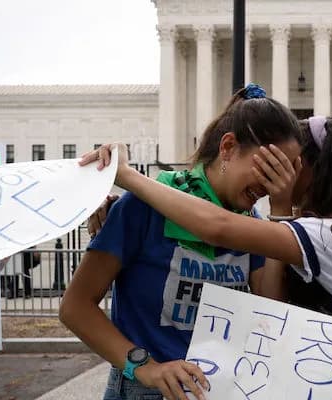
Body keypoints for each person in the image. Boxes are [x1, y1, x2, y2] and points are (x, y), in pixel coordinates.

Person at [87, 115, 332, 400]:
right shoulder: (314, 231)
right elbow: (271, 309)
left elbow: (217, 226)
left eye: (289, 162)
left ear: (315, 170)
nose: (276, 173)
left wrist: (130, 177)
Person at [60, 83, 303, 400]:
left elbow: (270, 309)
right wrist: (146, 367)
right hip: (147, 389)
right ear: (227, 148)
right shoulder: (141, 207)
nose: (273, 183)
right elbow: (75, 307)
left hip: (217, 389)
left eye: (286, 172)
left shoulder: (252, 227)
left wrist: (281, 209)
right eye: (269, 167)